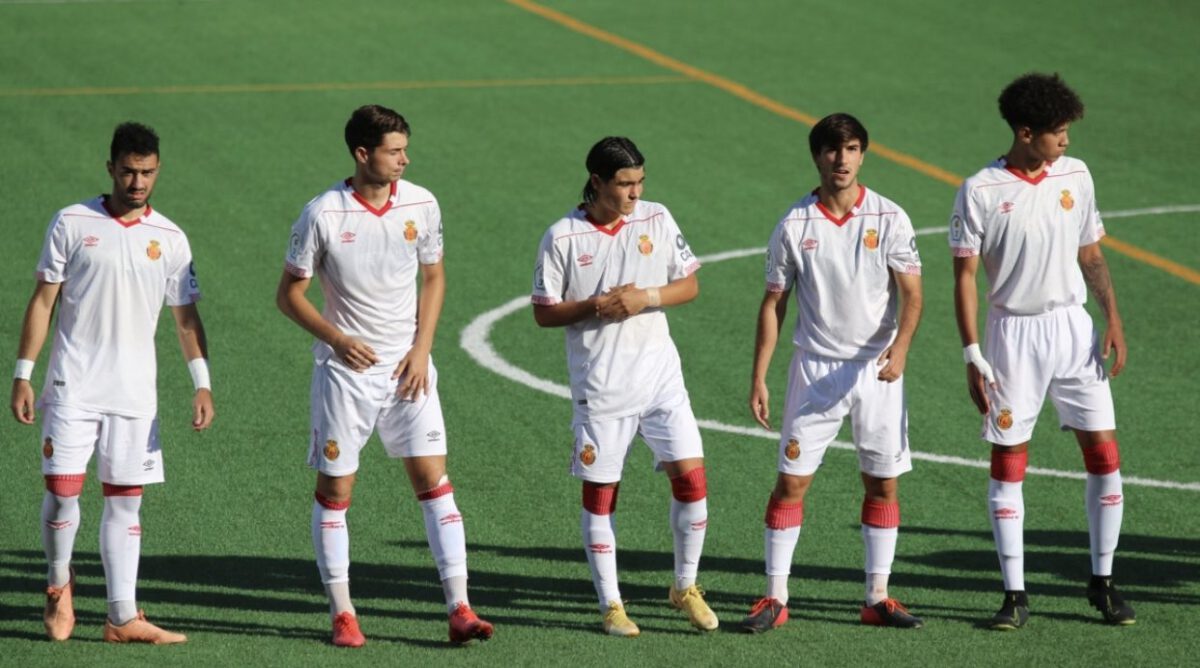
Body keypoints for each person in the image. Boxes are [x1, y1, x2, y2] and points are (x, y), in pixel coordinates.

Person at [276, 104, 493, 648]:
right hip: (346, 376)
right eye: (394, 151)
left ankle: (460, 607)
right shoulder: (323, 214)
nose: (404, 159)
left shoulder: (421, 203)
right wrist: (338, 339)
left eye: (404, 149)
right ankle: (343, 612)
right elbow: (289, 295)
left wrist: (422, 348)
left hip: (409, 371)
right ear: (362, 153)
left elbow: (435, 276)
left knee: (434, 482)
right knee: (336, 489)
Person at [10, 122, 214, 644]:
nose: (137, 181)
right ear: (110, 168)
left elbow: (186, 316)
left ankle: (121, 617)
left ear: (158, 170)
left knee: (126, 499)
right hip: (72, 383)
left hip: (134, 392)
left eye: (146, 172)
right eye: (128, 170)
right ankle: (59, 584)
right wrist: (23, 374)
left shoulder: (169, 238)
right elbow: (43, 301)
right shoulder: (72, 222)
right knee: (62, 494)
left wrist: (202, 383)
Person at [950, 72, 1134, 630]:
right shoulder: (980, 189)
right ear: (1025, 132)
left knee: (1105, 456)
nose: (1067, 142)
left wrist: (1113, 318)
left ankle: (1102, 582)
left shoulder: (1076, 174)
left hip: (1073, 332)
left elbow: (1091, 252)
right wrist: (972, 353)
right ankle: (1015, 594)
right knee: (1009, 464)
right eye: (1058, 132)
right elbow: (963, 277)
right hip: (1013, 337)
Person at [740, 113, 925, 633]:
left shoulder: (890, 218)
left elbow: (912, 293)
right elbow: (774, 304)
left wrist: (902, 347)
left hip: (877, 373)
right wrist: (760, 375)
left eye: (850, 149)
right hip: (815, 370)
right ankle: (775, 597)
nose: (840, 159)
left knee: (883, 483)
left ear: (863, 154)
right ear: (816, 156)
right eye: (831, 149)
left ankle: (877, 596)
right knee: (791, 483)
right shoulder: (795, 224)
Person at [531, 136, 717, 637]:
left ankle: (685, 586)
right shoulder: (563, 237)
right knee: (602, 496)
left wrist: (645, 297)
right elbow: (544, 312)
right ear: (597, 181)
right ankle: (612, 605)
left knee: (693, 481)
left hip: (661, 379)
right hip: (603, 389)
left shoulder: (656, 218)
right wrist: (596, 306)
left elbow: (690, 284)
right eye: (625, 183)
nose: (635, 193)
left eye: (640, 182)